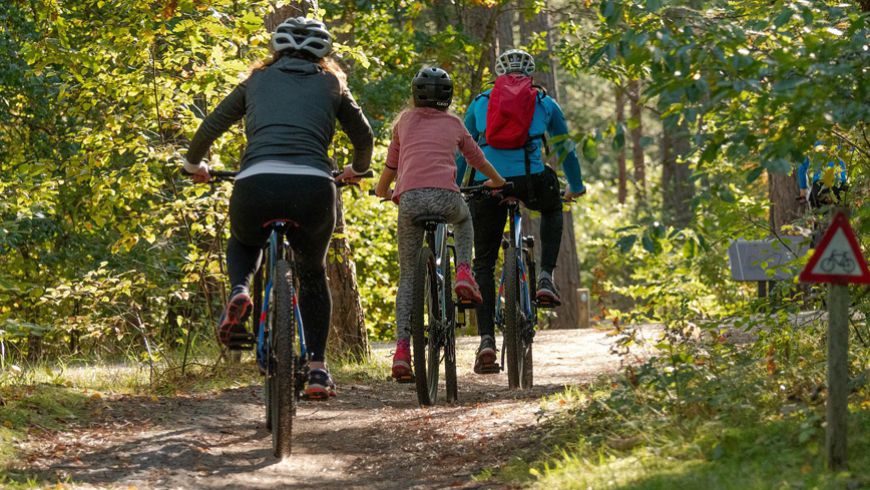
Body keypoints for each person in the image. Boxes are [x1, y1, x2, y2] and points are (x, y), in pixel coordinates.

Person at [181, 17, 373, 399]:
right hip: (314, 186)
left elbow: (212, 125)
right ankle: (317, 369)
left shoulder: (256, 80)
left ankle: (240, 290)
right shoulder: (333, 83)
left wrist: (193, 165)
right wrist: (357, 169)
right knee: (313, 274)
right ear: (325, 53)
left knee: (244, 240)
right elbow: (363, 135)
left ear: (277, 49)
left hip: (257, 181)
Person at [456, 49, 586, 374]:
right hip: (531, 182)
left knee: (483, 262)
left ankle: (486, 340)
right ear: (529, 74)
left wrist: (458, 184)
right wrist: (576, 185)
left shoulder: (481, 102)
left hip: (488, 184)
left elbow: (462, 149)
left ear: (499, 74)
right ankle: (545, 277)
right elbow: (564, 148)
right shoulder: (544, 102)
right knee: (553, 207)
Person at [375, 67, 506, 382]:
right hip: (447, 199)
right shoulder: (454, 124)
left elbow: (391, 165)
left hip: (409, 202)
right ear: (448, 98)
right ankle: (463, 270)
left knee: (408, 277)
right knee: (464, 219)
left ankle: (403, 351)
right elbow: (476, 159)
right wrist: (497, 181)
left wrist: (383, 191)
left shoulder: (403, 123)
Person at [797, 141, 848, 208]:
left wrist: (803, 190)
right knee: (843, 215)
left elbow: (801, 169)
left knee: (819, 214)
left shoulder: (811, 140)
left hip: (820, 185)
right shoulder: (840, 137)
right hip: (839, 183)